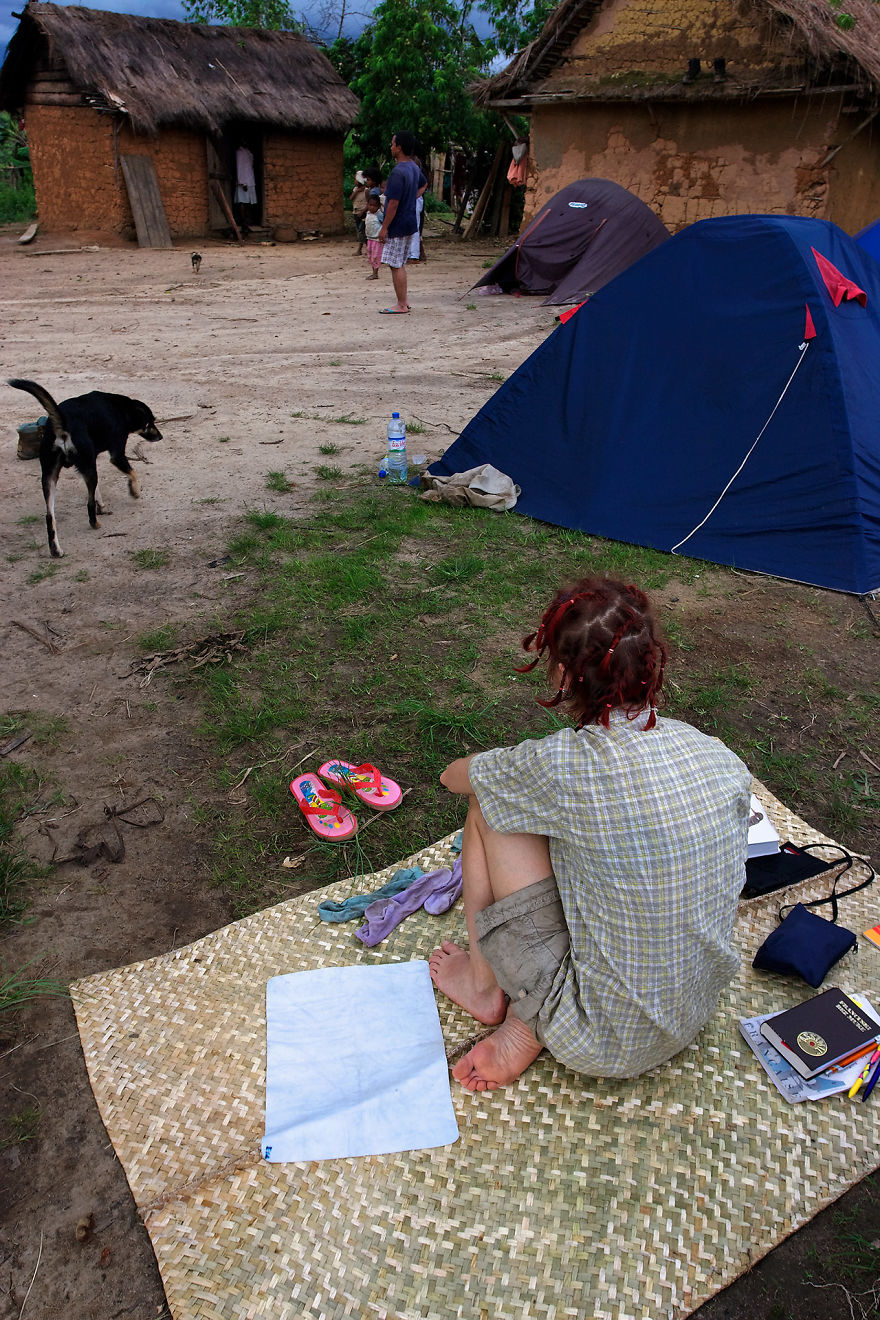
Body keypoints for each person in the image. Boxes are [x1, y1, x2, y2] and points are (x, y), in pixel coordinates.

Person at [429, 577, 751, 1092]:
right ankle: (526, 1018)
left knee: (488, 799)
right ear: (651, 663)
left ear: (562, 672)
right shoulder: (715, 754)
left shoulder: (562, 766)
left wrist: (501, 768)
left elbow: (454, 775)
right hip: (694, 1008)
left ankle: (486, 987)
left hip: (599, 1039)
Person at [377, 130, 426, 315]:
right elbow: (424, 184)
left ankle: (402, 304)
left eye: (392, 144)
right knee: (399, 262)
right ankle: (403, 302)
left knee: (396, 264)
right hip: (410, 222)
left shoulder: (398, 172)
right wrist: (412, 198)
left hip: (398, 224)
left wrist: (384, 228)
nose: (391, 147)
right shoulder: (413, 167)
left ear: (399, 147)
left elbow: (393, 203)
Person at [364, 190, 384, 280]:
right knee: (370, 255)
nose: (371, 207)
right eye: (370, 205)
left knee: (376, 256)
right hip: (369, 238)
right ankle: (373, 271)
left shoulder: (379, 215)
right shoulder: (368, 214)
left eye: (374, 206)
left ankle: (375, 273)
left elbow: (384, 224)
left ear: (378, 206)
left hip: (377, 239)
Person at [350, 170, 369, 256]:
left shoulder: (366, 191)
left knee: (362, 230)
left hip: (363, 213)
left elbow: (369, 203)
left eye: (355, 179)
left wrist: (363, 211)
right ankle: (369, 248)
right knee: (361, 231)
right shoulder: (355, 190)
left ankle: (360, 249)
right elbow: (351, 198)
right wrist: (356, 191)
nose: (354, 181)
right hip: (356, 212)